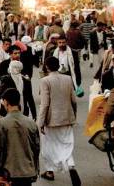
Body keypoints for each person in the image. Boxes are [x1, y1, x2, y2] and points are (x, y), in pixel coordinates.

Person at [37, 57, 80, 185]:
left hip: (51, 120)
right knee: (66, 145)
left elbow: (45, 104)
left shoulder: (45, 80)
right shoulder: (67, 79)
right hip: (66, 118)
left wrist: (40, 122)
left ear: (47, 67)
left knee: (49, 146)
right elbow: (74, 100)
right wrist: (73, 115)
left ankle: (50, 171)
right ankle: (71, 166)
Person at [0, 88, 40, 186]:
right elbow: (36, 148)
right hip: (27, 172)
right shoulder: (31, 123)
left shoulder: (1, 124)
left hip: (9, 173)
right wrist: (35, 169)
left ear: (6, 102)